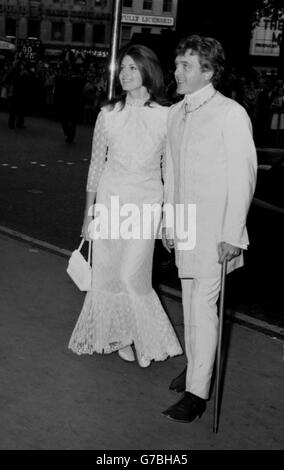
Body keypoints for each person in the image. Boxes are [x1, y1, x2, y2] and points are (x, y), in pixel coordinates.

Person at [161, 35, 257, 423]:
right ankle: (197, 362)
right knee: (189, 302)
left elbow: (244, 177)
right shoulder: (175, 112)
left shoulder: (231, 114)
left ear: (209, 72)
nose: (177, 72)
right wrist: (168, 220)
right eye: (178, 64)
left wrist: (233, 235)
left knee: (203, 307)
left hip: (216, 231)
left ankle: (198, 393)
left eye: (186, 66)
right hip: (185, 227)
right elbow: (171, 173)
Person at [68, 44, 182, 366]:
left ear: (148, 71)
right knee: (107, 275)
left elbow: (169, 171)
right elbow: (95, 166)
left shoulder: (166, 115)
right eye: (123, 68)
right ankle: (121, 335)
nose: (125, 74)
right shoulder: (108, 114)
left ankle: (145, 340)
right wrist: (88, 216)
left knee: (134, 276)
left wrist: (169, 220)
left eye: (132, 67)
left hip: (146, 202)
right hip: (110, 199)